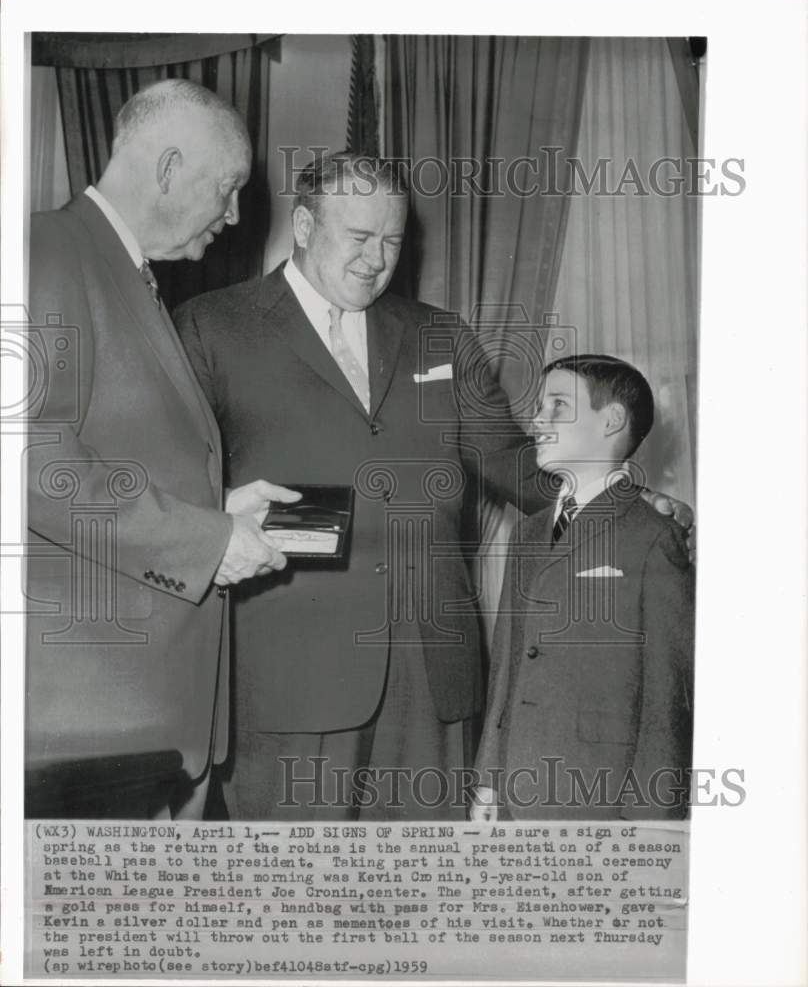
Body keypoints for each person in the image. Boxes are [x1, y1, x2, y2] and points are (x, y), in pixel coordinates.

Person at [175, 151, 693, 820]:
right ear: (304, 227)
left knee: (423, 902)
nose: (376, 260)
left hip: (433, 681)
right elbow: (174, 480)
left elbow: (512, 461)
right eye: (358, 239)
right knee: (293, 900)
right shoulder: (212, 327)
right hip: (289, 679)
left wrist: (617, 503)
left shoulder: (440, 335)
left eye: (391, 242)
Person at [26, 79, 297, 821]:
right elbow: (28, 459)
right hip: (89, 731)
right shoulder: (45, 250)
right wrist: (206, 540)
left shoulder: (125, 273)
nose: (236, 214)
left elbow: (106, 447)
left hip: (147, 720)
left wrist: (222, 508)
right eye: (229, 188)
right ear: (171, 168)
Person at [471, 355, 694, 821]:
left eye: (558, 404)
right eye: (539, 405)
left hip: (601, 797)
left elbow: (665, 699)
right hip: (517, 786)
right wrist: (489, 781)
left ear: (612, 421)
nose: (538, 418)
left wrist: (652, 823)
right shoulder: (528, 533)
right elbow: (508, 667)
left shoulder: (653, 535)